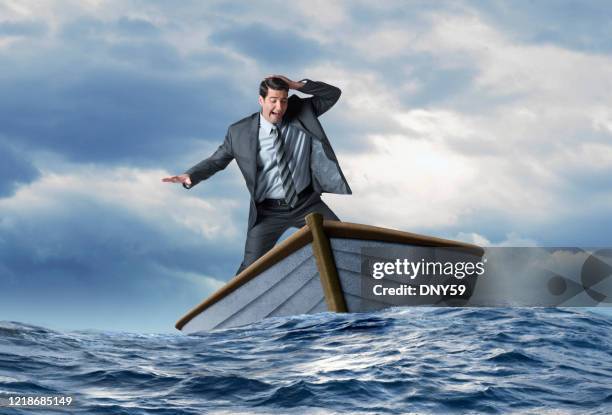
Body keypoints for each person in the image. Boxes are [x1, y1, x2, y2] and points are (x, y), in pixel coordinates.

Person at [162, 75, 351, 274]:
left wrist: (295, 85)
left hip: (306, 203)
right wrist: (191, 176)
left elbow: (332, 94)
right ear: (261, 100)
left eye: (284, 100)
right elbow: (216, 161)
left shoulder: (302, 112)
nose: (279, 107)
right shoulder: (239, 132)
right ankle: (233, 304)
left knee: (347, 242)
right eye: (273, 100)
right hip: (268, 212)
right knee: (249, 270)